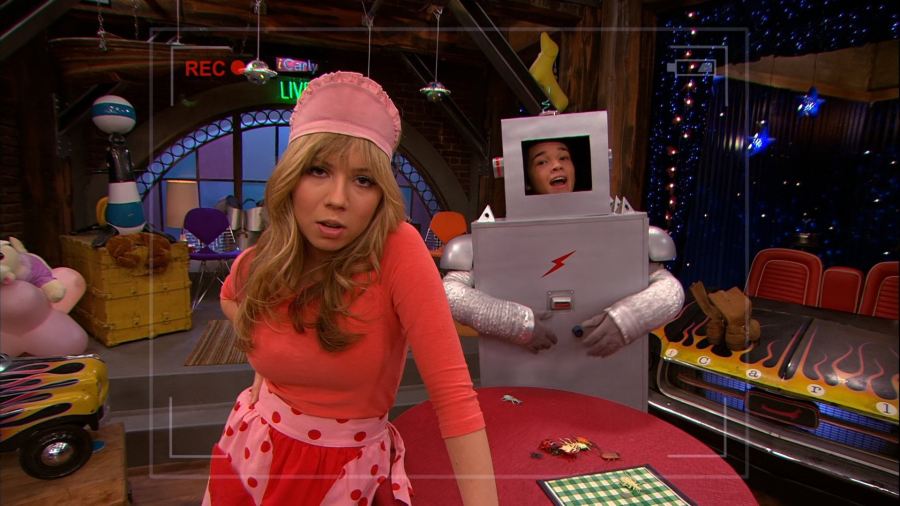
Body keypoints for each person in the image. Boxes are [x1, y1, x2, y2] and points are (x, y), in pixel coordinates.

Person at [204, 71, 498, 506]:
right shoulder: (267, 255)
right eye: (318, 170)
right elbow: (231, 299)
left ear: (381, 194)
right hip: (254, 455)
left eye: (363, 180)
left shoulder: (397, 249)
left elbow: (454, 398)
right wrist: (268, 370)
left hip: (346, 478)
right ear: (291, 178)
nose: (338, 199)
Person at [442, 139, 685, 357]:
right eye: (542, 162)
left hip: (603, 369)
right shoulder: (497, 237)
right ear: (526, 176)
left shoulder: (620, 232)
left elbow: (670, 290)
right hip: (523, 372)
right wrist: (514, 322)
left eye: (564, 157)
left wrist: (628, 319)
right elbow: (450, 292)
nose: (557, 166)